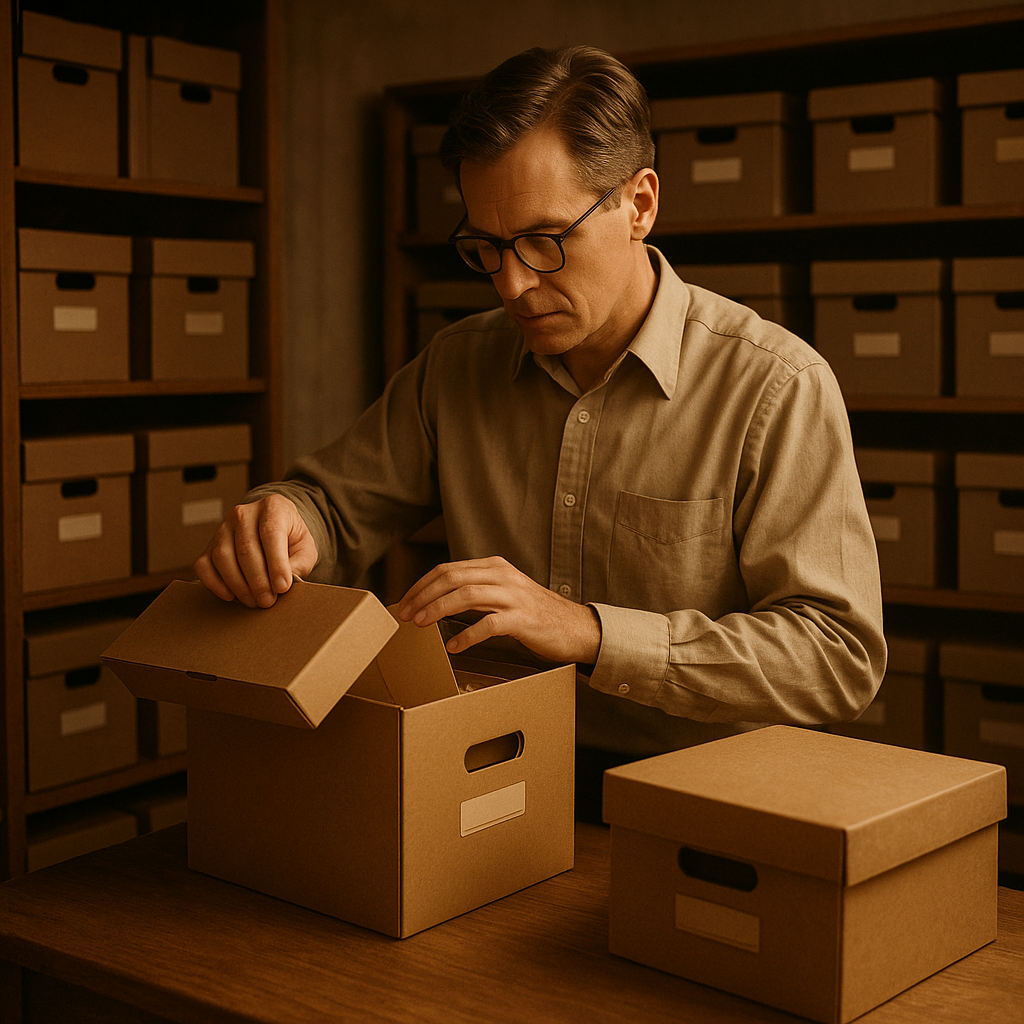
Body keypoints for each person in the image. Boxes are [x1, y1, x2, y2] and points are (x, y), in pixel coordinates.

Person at [195, 45, 886, 820]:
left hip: (703, 799)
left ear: (641, 204)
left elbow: (837, 660)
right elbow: (333, 505)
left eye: (545, 240)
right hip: (487, 775)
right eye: (485, 248)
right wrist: (286, 519)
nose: (513, 284)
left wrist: (589, 632)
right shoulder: (456, 364)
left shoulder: (775, 386)